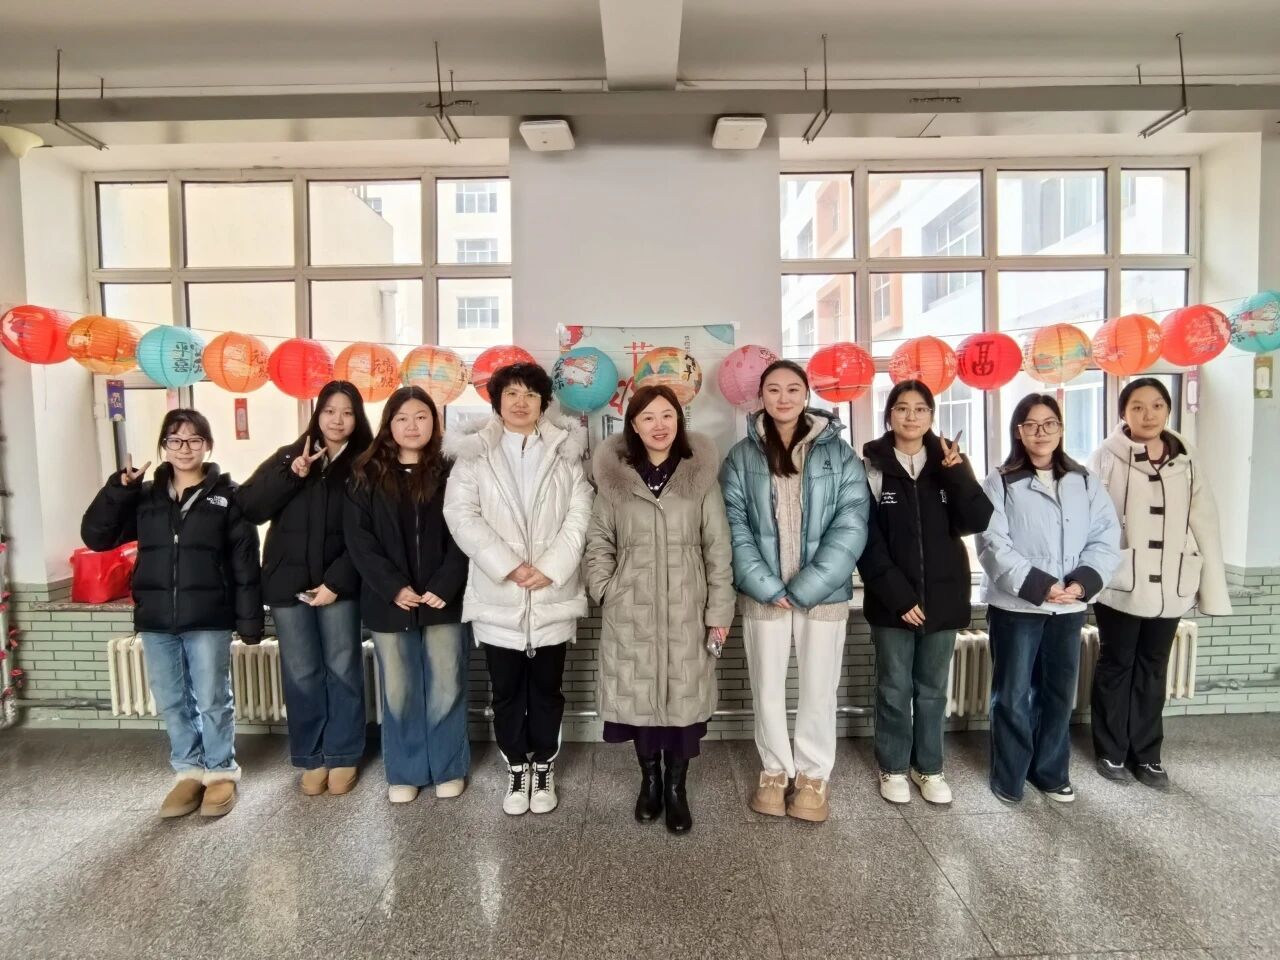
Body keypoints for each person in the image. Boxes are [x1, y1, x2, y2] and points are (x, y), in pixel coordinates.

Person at [81, 409, 262, 818]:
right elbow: (97, 536)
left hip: (209, 616)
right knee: (171, 699)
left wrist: (250, 622)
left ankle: (220, 771)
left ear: (207, 445)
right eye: (175, 440)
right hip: (157, 618)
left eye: (194, 439)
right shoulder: (145, 497)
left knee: (213, 699)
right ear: (164, 446)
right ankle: (188, 770)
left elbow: (245, 563)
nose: (185, 448)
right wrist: (118, 490)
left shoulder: (227, 497)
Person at [720, 360, 870, 823]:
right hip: (762, 594)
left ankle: (812, 775)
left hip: (823, 596)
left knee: (819, 689)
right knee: (766, 687)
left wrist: (805, 587)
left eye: (792, 389)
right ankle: (773, 770)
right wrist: (767, 586)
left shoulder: (839, 454)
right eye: (773, 389)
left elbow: (852, 524)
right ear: (760, 397)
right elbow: (732, 525)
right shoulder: (741, 456)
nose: (783, 398)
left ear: (806, 395)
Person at [443, 362, 593, 817]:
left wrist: (550, 568)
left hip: (551, 596)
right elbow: (460, 514)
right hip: (498, 597)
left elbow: (581, 513)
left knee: (547, 691)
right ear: (497, 401)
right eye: (511, 393)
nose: (521, 402)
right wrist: (508, 567)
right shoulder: (475, 454)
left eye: (530, 394)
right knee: (506, 692)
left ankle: (543, 765)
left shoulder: (564, 452)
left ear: (544, 402)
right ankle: (516, 768)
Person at [583, 385, 735, 834]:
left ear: (679, 421)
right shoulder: (616, 480)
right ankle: (649, 781)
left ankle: (676, 787)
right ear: (633, 424)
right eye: (648, 417)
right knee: (642, 703)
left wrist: (719, 612)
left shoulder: (699, 477)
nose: (659, 425)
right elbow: (598, 541)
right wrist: (606, 590)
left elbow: (718, 548)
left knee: (683, 706)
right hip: (631, 612)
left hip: (689, 610)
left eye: (667, 415)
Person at [1087, 377, 1230, 787]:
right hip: (1121, 582)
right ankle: (1111, 751)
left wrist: (1209, 581)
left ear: (1168, 409)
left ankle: (1147, 754)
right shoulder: (1105, 457)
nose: (1147, 414)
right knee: (1116, 664)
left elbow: (1205, 520)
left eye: (1156, 405)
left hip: (1172, 583)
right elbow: (1091, 520)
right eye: (1137, 406)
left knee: (1154, 667)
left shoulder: (1186, 458)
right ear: (1123, 413)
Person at [978, 393, 1120, 804]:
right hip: (1017, 605)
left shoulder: (1085, 480)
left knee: (1058, 693)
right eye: (1031, 425)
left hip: (1070, 605)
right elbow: (991, 543)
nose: (1041, 432)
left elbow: (1106, 536)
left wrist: (1082, 583)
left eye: (1049, 424)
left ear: (1061, 429)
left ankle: (1051, 773)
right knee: (1012, 694)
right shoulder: (1000, 481)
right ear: (1018, 432)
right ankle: (1009, 776)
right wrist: (1040, 586)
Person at [858, 380, 993, 806]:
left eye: (920, 409)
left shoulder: (949, 461)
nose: (911, 416)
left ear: (932, 416)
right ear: (889, 415)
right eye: (902, 408)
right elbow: (866, 539)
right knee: (894, 688)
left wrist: (958, 472)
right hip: (891, 601)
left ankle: (930, 766)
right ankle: (894, 766)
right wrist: (899, 597)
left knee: (932, 689)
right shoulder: (872, 466)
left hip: (944, 598)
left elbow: (976, 520)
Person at [239, 380, 374, 797]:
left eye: (347, 412)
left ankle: (344, 753)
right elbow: (250, 507)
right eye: (330, 410)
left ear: (357, 418)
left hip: (339, 587)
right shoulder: (289, 456)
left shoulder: (365, 465)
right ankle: (311, 755)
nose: (337, 420)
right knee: (301, 673)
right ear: (317, 414)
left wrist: (337, 582)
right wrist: (291, 475)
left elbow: (370, 533)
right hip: (287, 585)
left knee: (343, 670)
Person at [345, 386, 470, 804]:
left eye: (421, 417)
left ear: (435, 422)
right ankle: (406, 771)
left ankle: (448, 767)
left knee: (447, 685)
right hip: (388, 601)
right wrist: (393, 586)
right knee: (398, 690)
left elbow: (469, 529)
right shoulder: (365, 474)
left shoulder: (454, 469)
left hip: (443, 600)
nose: (412, 426)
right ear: (389, 424)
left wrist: (445, 584)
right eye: (402, 418)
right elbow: (359, 540)